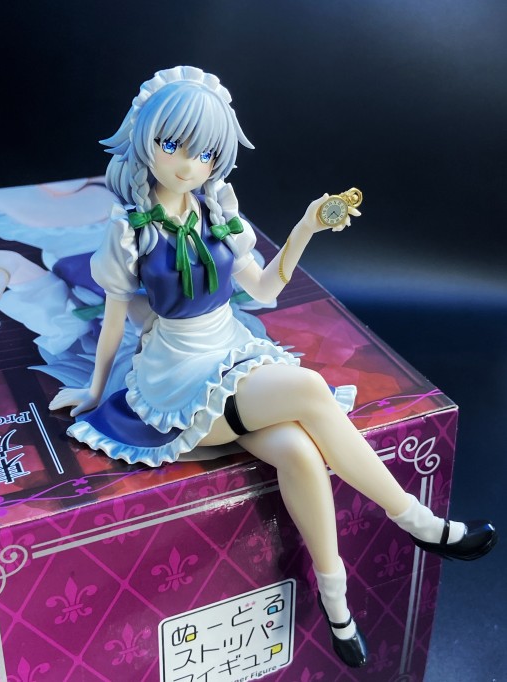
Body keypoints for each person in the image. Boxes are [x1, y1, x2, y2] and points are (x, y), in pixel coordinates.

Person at [49, 66, 497, 668]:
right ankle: (419, 523)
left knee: (300, 453)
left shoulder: (218, 211)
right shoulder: (129, 232)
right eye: (172, 144)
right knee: (309, 389)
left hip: (233, 352)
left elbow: (264, 289)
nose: (188, 165)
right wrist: (93, 389)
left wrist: (306, 227)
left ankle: (337, 609)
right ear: (145, 138)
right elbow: (113, 324)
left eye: (206, 153)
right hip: (177, 381)